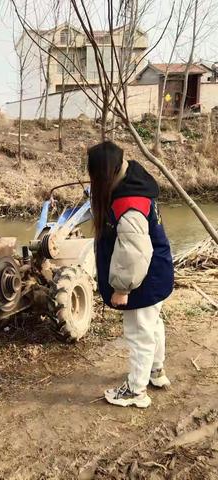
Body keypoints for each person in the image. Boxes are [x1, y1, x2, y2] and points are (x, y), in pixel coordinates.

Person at [88, 141, 174, 408]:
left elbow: (133, 252)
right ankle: (155, 371)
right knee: (152, 325)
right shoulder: (136, 184)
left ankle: (136, 391)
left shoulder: (128, 203)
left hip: (142, 279)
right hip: (156, 272)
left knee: (139, 333)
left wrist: (122, 288)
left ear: (104, 174)